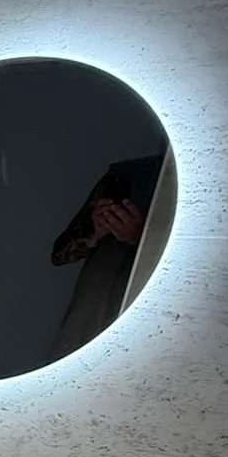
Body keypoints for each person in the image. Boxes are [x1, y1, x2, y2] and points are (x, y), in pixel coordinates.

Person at [51, 150, 164, 355]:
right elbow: (59, 255)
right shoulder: (125, 175)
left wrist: (143, 236)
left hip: (147, 314)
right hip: (92, 311)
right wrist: (93, 231)